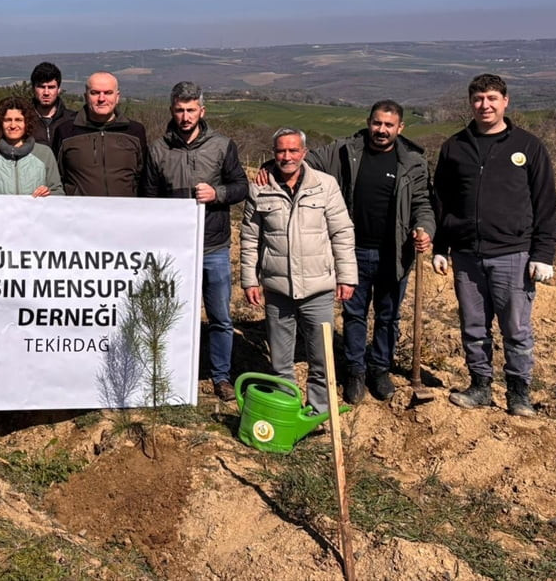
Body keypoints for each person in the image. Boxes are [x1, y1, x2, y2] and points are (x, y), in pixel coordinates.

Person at [431, 74, 556, 417]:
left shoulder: (528, 147)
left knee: (516, 329)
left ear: (505, 101)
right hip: (467, 255)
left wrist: (543, 254)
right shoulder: (454, 147)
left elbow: (545, 203)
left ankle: (519, 393)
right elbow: (441, 201)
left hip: (513, 254)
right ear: (470, 103)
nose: (484, 105)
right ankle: (480, 387)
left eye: (491, 98)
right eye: (477, 99)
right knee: (473, 326)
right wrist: (441, 247)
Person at [305, 100, 435, 404]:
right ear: (368, 122)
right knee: (354, 314)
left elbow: (423, 205)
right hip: (352, 251)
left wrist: (424, 228)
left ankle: (379, 369)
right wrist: (274, 164)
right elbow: (306, 158)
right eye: (377, 123)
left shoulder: (413, 162)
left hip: (395, 253)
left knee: (388, 317)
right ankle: (355, 371)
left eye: (389, 125)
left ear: (400, 128)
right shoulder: (345, 151)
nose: (382, 130)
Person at [240, 128, 356, 417]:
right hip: (278, 289)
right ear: (273, 153)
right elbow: (249, 237)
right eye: (281, 151)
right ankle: (286, 410)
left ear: (304, 153)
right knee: (280, 359)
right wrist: (249, 279)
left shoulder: (325, 185)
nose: (287, 157)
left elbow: (342, 232)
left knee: (320, 357)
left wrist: (347, 276)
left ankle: (318, 411)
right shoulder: (260, 188)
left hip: (319, 287)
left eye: (293, 151)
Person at [144, 82, 248, 402]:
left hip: (214, 247)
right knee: (170, 315)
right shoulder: (158, 148)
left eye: (191, 110)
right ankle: (169, 375)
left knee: (219, 316)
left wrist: (218, 194)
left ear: (202, 111)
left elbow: (242, 186)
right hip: (173, 250)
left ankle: (220, 377)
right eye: (179, 110)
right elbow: (147, 198)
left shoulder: (222, 145)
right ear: (172, 111)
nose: (185, 116)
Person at [53, 71, 147, 197]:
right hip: (80, 213)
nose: (101, 99)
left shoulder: (135, 132)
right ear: (86, 96)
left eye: (108, 93)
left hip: (125, 212)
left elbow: (143, 177)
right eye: (95, 93)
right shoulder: (66, 132)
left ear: (117, 96)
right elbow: (57, 177)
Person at [0, 95, 64, 197]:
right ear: (0, 122)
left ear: (27, 122)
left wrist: (48, 193)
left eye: (18, 120)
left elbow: (58, 192)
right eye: (8, 120)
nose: (13, 126)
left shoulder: (44, 153)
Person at [29, 61, 75, 147]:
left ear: (59, 90)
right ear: (33, 88)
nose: (46, 92)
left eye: (51, 87)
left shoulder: (73, 120)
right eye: (41, 87)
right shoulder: (23, 120)